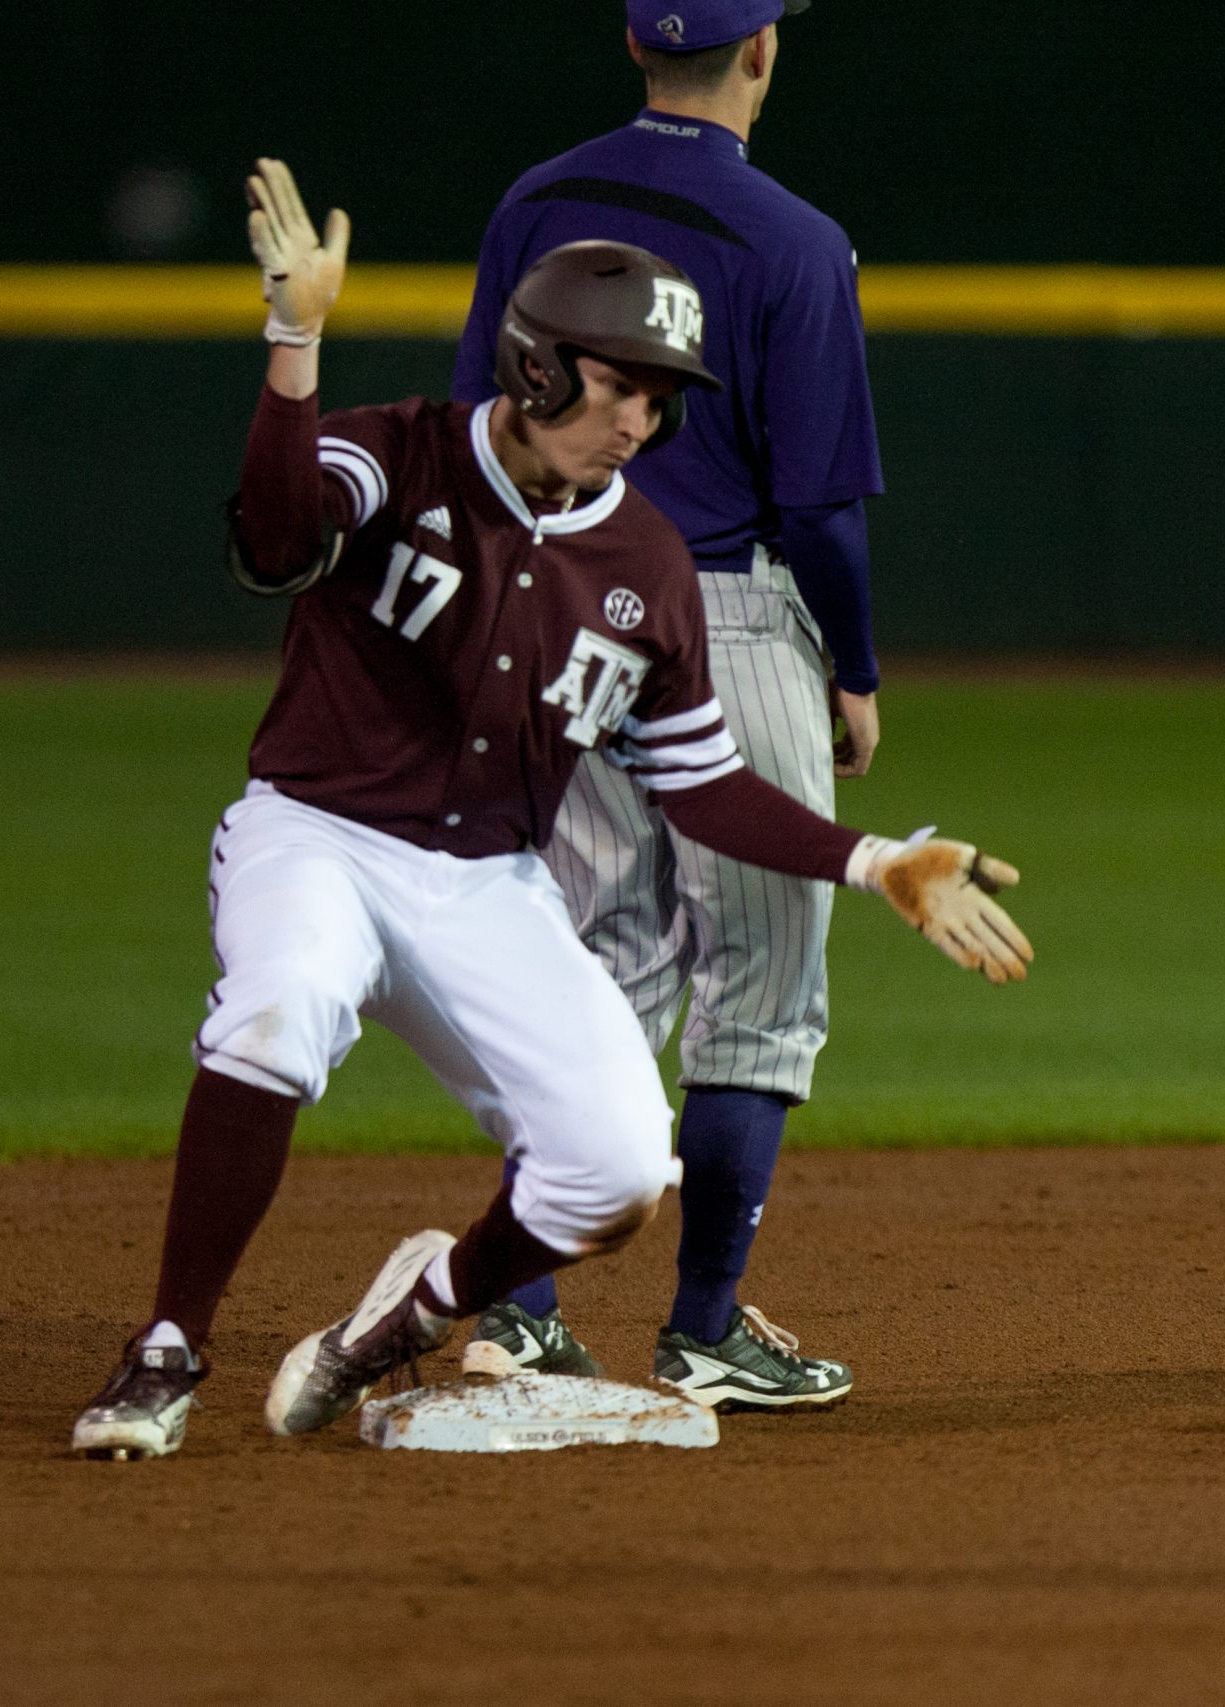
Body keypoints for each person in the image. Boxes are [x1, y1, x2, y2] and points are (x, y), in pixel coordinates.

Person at [69, 160, 1029, 1459]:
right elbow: (280, 535)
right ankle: (166, 1351)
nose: (640, 418)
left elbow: (701, 782)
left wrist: (873, 861)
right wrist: (292, 343)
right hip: (319, 838)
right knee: (279, 1008)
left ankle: (413, 1315)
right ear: (535, 369)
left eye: (660, 397)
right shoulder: (394, 451)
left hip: (487, 883)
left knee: (620, 1161)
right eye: (620, 382)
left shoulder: (642, 564)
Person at [449, 0, 885, 1410]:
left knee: (592, 975)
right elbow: (820, 511)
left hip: (562, 610)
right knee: (757, 990)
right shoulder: (799, 243)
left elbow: (477, 437)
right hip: (733, 617)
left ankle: (516, 1308)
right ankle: (704, 1325)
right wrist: (856, 668)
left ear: (637, 48)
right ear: (762, 51)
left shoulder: (535, 200)